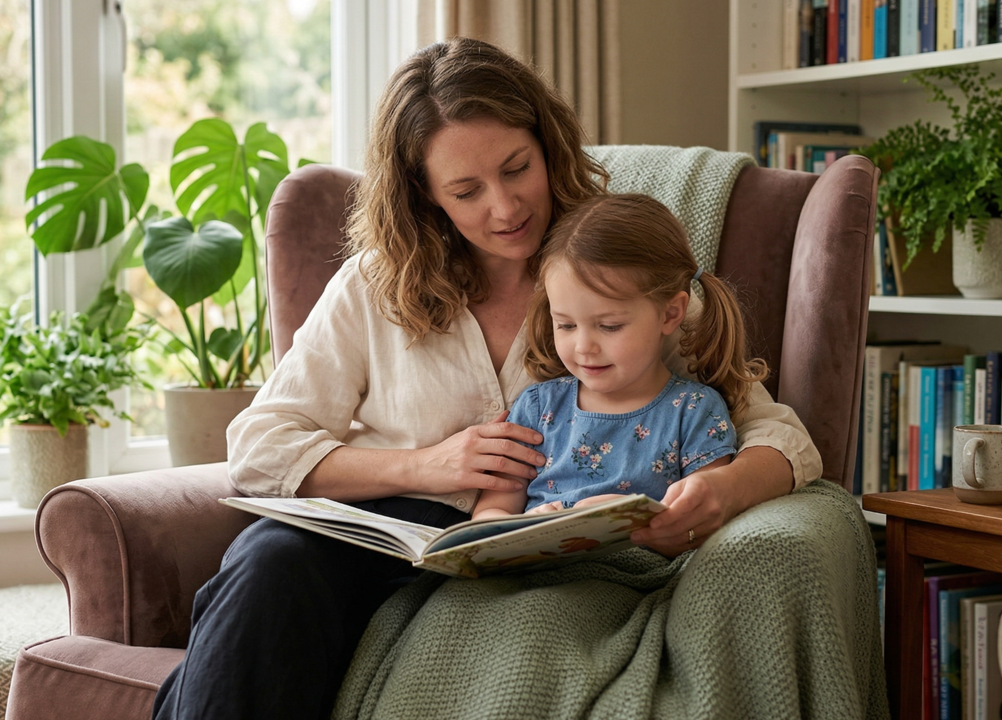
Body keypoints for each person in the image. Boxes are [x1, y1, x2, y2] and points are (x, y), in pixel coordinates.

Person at [151, 37, 821, 720]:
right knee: (267, 565)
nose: (505, 208)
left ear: (548, 146)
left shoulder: (611, 273)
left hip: (533, 549)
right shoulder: (372, 285)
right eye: (466, 191)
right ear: (424, 193)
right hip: (386, 533)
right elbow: (258, 449)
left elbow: (778, 434)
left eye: (517, 168)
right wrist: (425, 465)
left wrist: (723, 489)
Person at [472, 194, 766, 521]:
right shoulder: (538, 408)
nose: (584, 347)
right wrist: (520, 526)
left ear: (670, 314)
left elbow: (699, 516)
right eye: (566, 325)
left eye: (609, 326)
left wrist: (622, 517)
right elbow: (491, 511)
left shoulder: (695, 412)